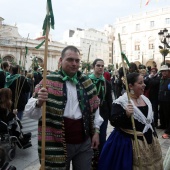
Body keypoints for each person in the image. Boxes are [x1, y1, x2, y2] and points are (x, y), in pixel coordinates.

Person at [24, 45, 103, 169]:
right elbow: (29, 113)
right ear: (61, 61)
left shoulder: (87, 83)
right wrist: (39, 102)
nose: (74, 64)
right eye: (70, 60)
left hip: (84, 142)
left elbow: (95, 110)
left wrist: (96, 132)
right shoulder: (47, 82)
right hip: (57, 143)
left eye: (77, 61)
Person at [98, 72, 163, 170]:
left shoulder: (146, 99)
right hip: (129, 145)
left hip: (149, 143)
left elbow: (150, 121)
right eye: (140, 83)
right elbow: (114, 121)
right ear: (130, 86)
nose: (144, 85)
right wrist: (126, 114)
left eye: (143, 82)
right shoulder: (121, 102)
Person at [89, 59, 112, 154]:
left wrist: (111, 115)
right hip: (90, 114)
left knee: (102, 138)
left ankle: (101, 161)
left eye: (102, 66)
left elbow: (109, 100)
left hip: (103, 114)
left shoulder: (106, 83)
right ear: (93, 66)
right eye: (98, 65)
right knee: (90, 138)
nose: (100, 67)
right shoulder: (87, 81)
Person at [158, 65, 170, 139]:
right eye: (162, 71)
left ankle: (168, 130)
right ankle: (163, 125)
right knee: (161, 113)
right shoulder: (161, 79)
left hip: (168, 100)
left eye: (165, 71)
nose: (164, 72)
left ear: (168, 71)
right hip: (161, 99)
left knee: (168, 115)